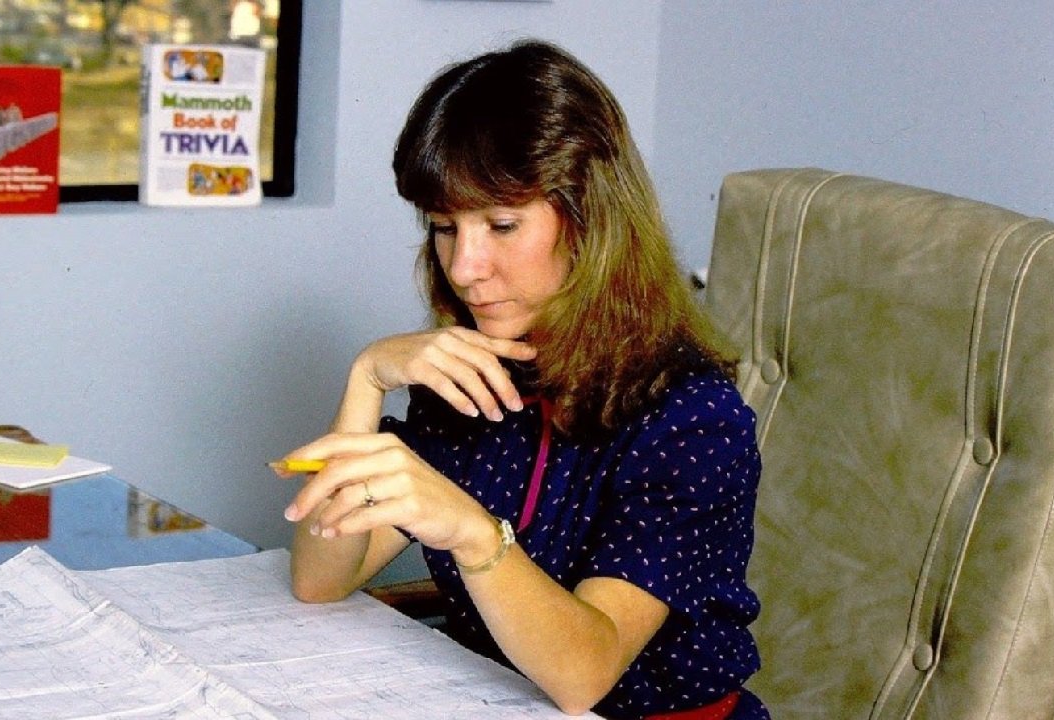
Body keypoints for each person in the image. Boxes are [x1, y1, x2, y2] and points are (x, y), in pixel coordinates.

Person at [276, 39, 768, 720]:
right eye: (444, 228)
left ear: (591, 221)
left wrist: (473, 532)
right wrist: (367, 377)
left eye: (501, 225)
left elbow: (585, 675)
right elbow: (320, 580)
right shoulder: (472, 376)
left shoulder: (693, 419)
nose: (464, 267)